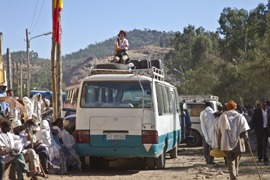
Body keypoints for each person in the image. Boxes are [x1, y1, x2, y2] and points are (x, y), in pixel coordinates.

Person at [214, 100, 250, 180]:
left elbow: (218, 131)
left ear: (227, 108)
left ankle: (233, 177)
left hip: (226, 143)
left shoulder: (222, 117)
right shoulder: (240, 117)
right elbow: (244, 130)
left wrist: (218, 144)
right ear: (235, 108)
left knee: (230, 161)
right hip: (238, 142)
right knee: (237, 160)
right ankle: (235, 175)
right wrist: (246, 138)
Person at [251, 99, 269, 164]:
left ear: (266, 103)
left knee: (265, 144)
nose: (264, 104)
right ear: (260, 104)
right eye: (262, 103)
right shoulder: (257, 111)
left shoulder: (268, 111)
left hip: (266, 130)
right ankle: (260, 157)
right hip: (259, 130)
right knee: (260, 144)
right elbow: (253, 120)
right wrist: (252, 128)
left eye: (265, 103)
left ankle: (265, 158)